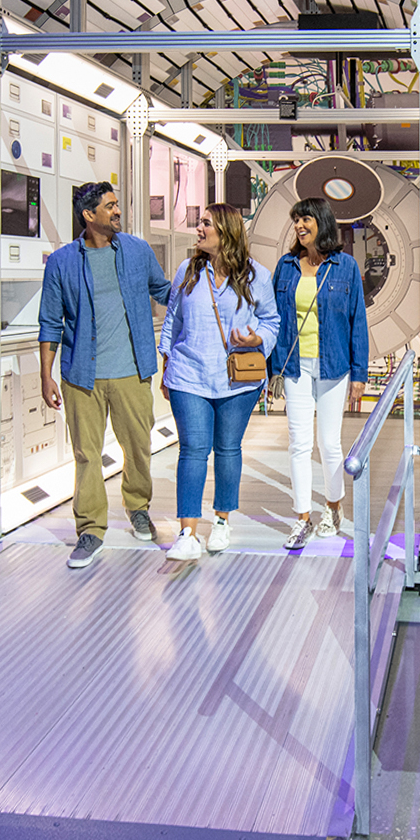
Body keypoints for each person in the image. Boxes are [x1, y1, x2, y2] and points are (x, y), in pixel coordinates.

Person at [38, 181, 171, 569]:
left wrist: (207, 282)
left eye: (117, 205)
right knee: (86, 455)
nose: (117, 211)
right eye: (110, 206)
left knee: (139, 448)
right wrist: (46, 376)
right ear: (88, 215)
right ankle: (90, 530)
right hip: (82, 375)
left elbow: (163, 291)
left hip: (132, 370)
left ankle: (138, 508)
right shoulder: (62, 262)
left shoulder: (137, 250)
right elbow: (49, 322)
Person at [157, 204, 279, 561]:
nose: (198, 229)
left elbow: (271, 321)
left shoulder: (257, 275)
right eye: (199, 223)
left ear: (225, 231)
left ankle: (222, 521)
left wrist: (256, 338)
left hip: (236, 381)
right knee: (193, 449)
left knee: (227, 449)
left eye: (205, 224)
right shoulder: (187, 271)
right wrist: (166, 366)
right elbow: (172, 321)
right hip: (189, 375)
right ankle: (187, 532)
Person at [267, 197, 369, 549]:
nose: (299, 225)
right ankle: (301, 518)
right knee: (298, 443)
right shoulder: (285, 266)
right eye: (296, 220)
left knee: (329, 443)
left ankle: (333, 506)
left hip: (334, 366)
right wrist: (272, 369)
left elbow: (358, 322)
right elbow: (275, 320)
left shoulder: (346, 267)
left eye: (305, 219)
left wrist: (359, 374)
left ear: (321, 223)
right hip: (294, 367)